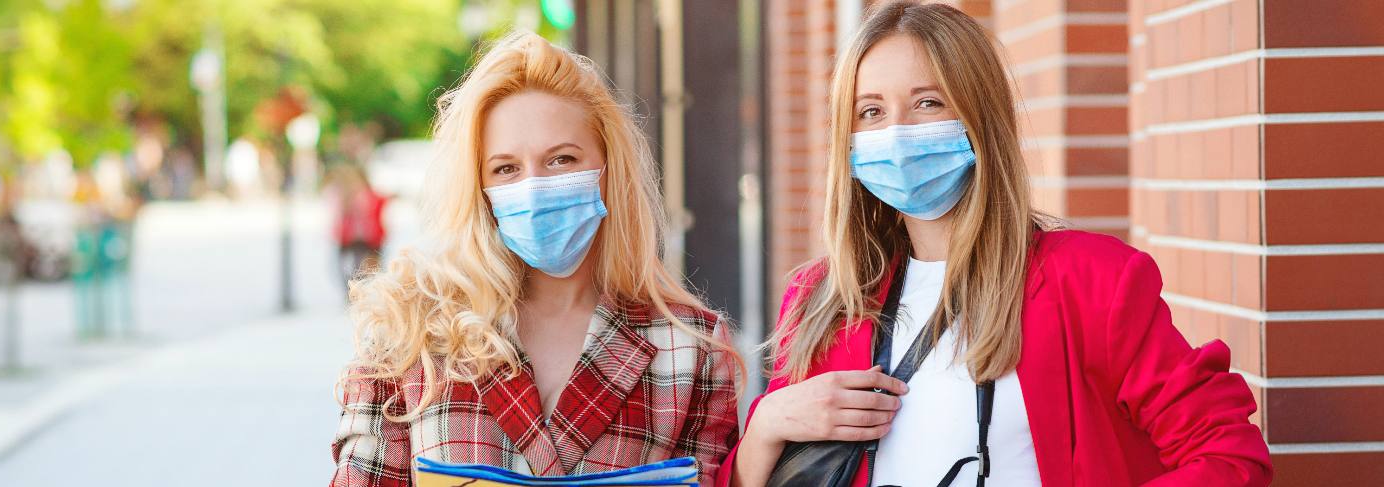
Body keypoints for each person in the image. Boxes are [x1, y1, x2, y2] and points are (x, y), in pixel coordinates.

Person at [721, 2, 1271, 486]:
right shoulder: (821, 299)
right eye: (871, 112)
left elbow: (1229, 455)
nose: (897, 131)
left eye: (928, 102)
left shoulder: (1090, 280)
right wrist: (765, 428)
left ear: (979, 119)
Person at [331, 32, 741, 487]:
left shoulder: (689, 350)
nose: (535, 186)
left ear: (608, 171)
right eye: (506, 168)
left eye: (562, 159)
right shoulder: (410, 330)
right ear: (479, 188)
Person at [326, 163, 388, 293]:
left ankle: (364, 291)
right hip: (350, 238)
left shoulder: (366, 194)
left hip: (367, 239)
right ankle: (354, 292)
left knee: (365, 268)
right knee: (350, 268)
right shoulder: (344, 194)